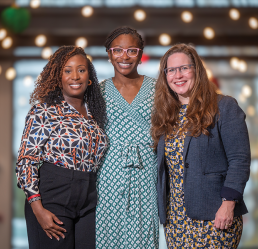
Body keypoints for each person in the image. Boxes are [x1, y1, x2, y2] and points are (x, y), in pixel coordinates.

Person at [151, 43, 251, 248]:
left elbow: (239, 160)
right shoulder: (165, 116)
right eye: (171, 70)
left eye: (184, 68)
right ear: (165, 76)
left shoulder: (223, 106)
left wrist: (228, 204)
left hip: (215, 216)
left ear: (197, 70)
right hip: (176, 220)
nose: (178, 75)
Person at [16, 45, 108, 249]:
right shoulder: (44, 111)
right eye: (68, 71)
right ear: (58, 77)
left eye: (81, 70)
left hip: (88, 198)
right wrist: (38, 210)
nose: (75, 76)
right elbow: (26, 161)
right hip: (53, 195)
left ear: (89, 77)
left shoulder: (95, 114)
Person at [95, 26, 159, 249]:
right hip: (108, 173)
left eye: (132, 50)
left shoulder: (158, 88)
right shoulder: (98, 91)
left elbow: (168, 127)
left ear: (141, 54)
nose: (125, 56)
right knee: (107, 234)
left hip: (145, 171)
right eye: (118, 50)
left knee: (143, 236)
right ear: (109, 54)